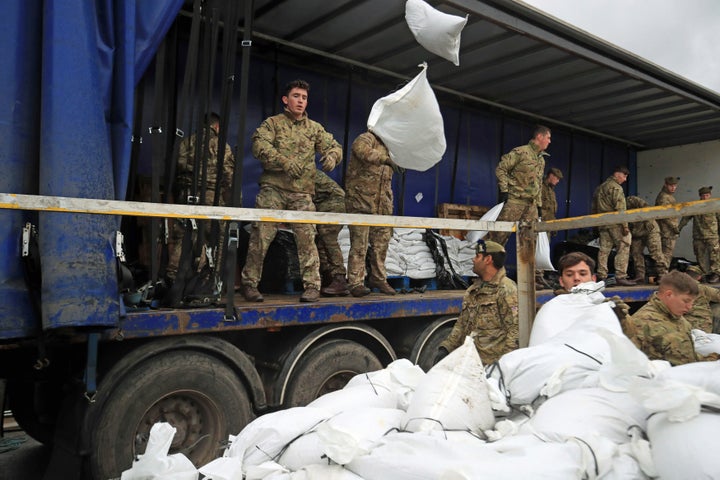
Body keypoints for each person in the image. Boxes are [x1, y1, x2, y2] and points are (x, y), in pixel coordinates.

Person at [240, 79, 343, 303]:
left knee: (307, 236)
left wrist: (332, 157)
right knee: (261, 235)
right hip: (273, 188)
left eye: (304, 98)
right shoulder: (273, 123)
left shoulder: (314, 129)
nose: (301, 101)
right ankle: (249, 284)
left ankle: (312, 286)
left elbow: (334, 146)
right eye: (296, 96)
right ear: (286, 100)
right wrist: (283, 161)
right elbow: (259, 146)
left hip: (302, 193)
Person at [166, 112, 234, 288]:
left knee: (187, 234)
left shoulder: (186, 142)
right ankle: (211, 279)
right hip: (211, 196)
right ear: (216, 127)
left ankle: (172, 275)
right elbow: (229, 175)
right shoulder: (221, 146)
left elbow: (178, 166)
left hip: (187, 194)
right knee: (216, 237)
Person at [434, 240, 519, 366]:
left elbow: (515, 330)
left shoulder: (506, 289)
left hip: (493, 368)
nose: (473, 260)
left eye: (477, 256)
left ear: (488, 259)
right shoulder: (473, 291)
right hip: (472, 366)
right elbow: (462, 325)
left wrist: (504, 366)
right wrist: (446, 348)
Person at [345, 130, 403, 297]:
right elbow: (361, 150)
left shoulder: (391, 147)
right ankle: (356, 282)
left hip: (382, 206)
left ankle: (378, 278)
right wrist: (385, 159)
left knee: (381, 244)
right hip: (361, 202)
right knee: (359, 245)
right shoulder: (366, 138)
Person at [621, 270, 718, 365]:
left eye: (692, 302)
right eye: (686, 301)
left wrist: (714, 359)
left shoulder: (675, 315)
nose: (689, 307)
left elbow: (688, 358)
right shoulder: (643, 323)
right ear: (669, 294)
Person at [486, 125, 551, 247]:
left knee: (530, 240)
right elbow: (501, 169)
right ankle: (488, 262)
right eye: (548, 137)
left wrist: (539, 206)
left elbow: (539, 184)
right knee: (498, 237)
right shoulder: (521, 152)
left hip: (531, 206)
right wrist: (504, 191)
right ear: (539, 136)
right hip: (515, 201)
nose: (549, 141)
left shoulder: (541, 159)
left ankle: (527, 266)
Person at [591, 166, 636, 286]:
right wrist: (625, 226)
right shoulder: (616, 188)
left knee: (604, 250)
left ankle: (601, 276)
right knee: (624, 246)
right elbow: (620, 209)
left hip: (603, 223)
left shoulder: (600, 188)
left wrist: (596, 224)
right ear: (617, 174)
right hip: (616, 223)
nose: (625, 179)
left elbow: (594, 208)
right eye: (624, 175)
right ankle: (621, 276)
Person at [313, 170, 349, 296]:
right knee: (321, 241)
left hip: (334, 202)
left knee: (328, 238)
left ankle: (339, 278)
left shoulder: (300, 171)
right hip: (324, 203)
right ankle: (328, 277)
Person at [679, 186, 720, 284]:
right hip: (699, 237)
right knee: (700, 256)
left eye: (707, 195)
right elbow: (685, 219)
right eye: (703, 196)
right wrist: (677, 229)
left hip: (712, 236)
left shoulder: (715, 206)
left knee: (715, 256)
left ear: (710, 195)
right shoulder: (695, 206)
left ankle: (716, 274)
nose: (705, 197)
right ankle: (705, 274)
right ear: (700, 196)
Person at [625, 196, 668, 284]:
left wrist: (648, 220)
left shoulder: (631, 200)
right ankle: (640, 276)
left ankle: (663, 275)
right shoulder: (615, 208)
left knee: (655, 252)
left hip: (650, 229)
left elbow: (646, 207)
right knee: (636, 253)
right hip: (636, 233)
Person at [683, 265, 720, 333]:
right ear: (699, 277)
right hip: (703, 325)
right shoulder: (704, 289)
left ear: (685, 274)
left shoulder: (676, 288)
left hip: (685, 324)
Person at [655, 176, 681, 266]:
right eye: (671, 186)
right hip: (666, 231)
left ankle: (662, 274)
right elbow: (664, 216)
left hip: (668, 231)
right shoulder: (664, 197)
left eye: (675, 185)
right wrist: (674, 227)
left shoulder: (668, 196)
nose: (673, 188)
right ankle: (663, 275)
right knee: (666, 254)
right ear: (666, 185)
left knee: (666, 254)